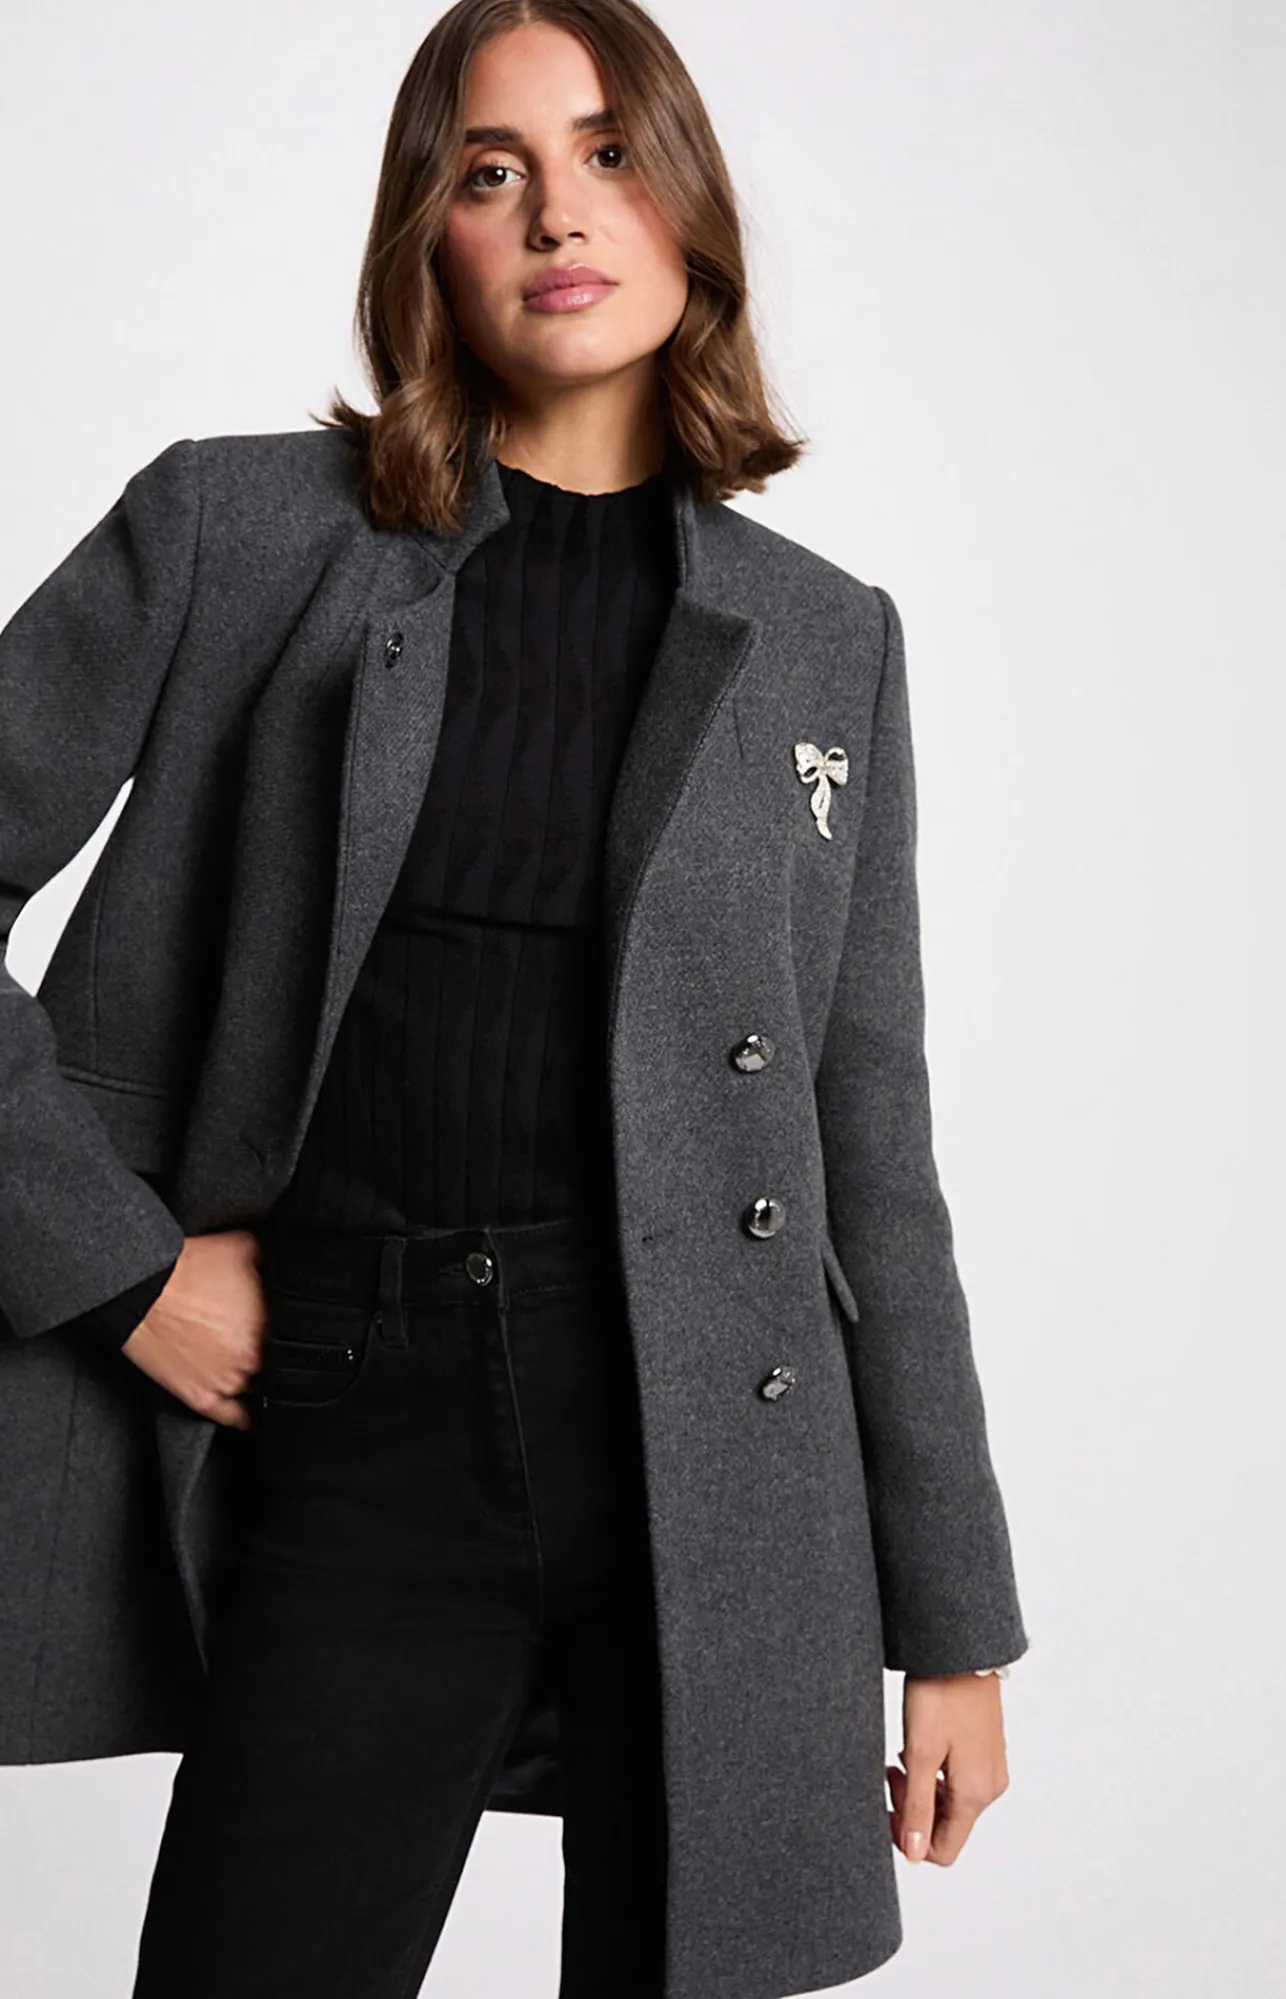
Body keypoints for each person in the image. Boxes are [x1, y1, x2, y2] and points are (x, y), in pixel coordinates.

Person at [0, 4, 1029, 1995]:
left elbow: (869, 1145)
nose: (560, 211)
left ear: (690, 212)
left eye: (609, 153)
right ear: (431, 235)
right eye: (494, 170)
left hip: (720, 1452)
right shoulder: (235, 531)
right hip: (355, 1403)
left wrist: (956, 1628)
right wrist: (117, 1269)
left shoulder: (827, 641)